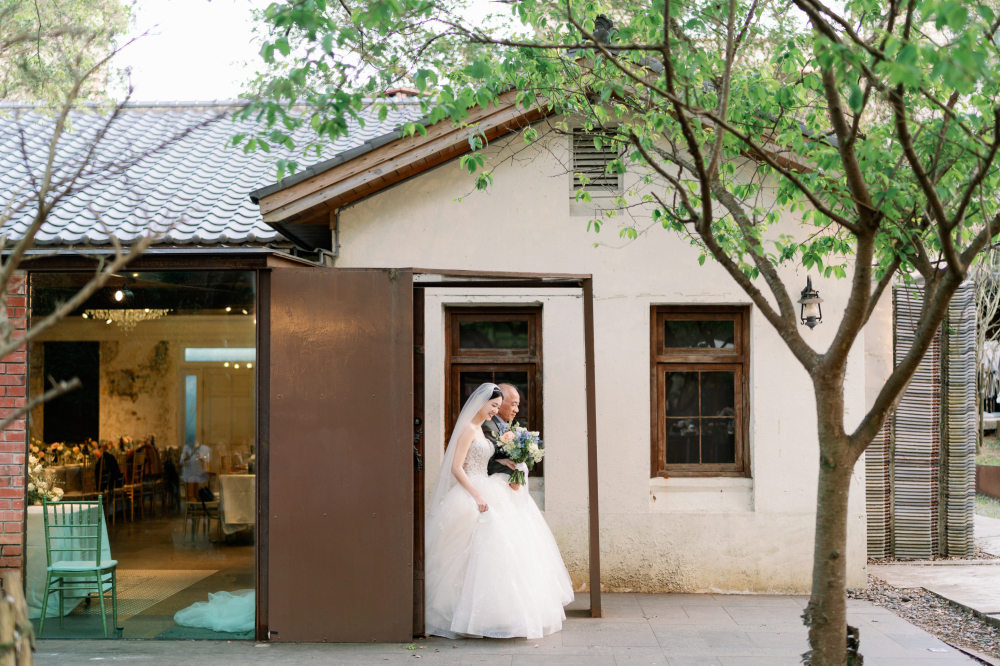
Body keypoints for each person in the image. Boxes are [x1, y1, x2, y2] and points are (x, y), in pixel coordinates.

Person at [424, 383, 573, 639]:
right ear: (480, 403)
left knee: (500, 545)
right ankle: (463, 611)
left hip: (488, 485)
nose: (495, 411)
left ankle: (497, 612)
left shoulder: (481, 430)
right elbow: (457, 467)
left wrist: (505, 461)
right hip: (473, 490)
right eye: (493, 406)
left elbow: (485, 460)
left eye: (496, 406)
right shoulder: (469, 429)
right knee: (473, 546)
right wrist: (477, 495)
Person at [483, 383, 523, 490]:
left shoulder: (512, 424)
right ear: (500, 402)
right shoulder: (488, 426)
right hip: (495, 487)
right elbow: (487, 463)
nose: (517, 410)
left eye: (517, 405)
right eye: (513, 404)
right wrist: (514, 474)